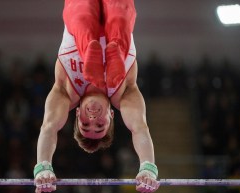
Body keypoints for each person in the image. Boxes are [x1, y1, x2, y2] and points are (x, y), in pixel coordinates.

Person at [34, 0, 159, 192]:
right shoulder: (123, 94)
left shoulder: (66, 91)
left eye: (86, 124)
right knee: (119, 17)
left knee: (81, 16)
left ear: (76, 114)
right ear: (112, 115)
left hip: (80, 13)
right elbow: (139, 128)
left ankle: (90, 46)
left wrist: (43, 167)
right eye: (100, 125)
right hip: (119, 23)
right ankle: (115, 47)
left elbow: (49, 127)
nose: (93, 119)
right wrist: (148, 168)